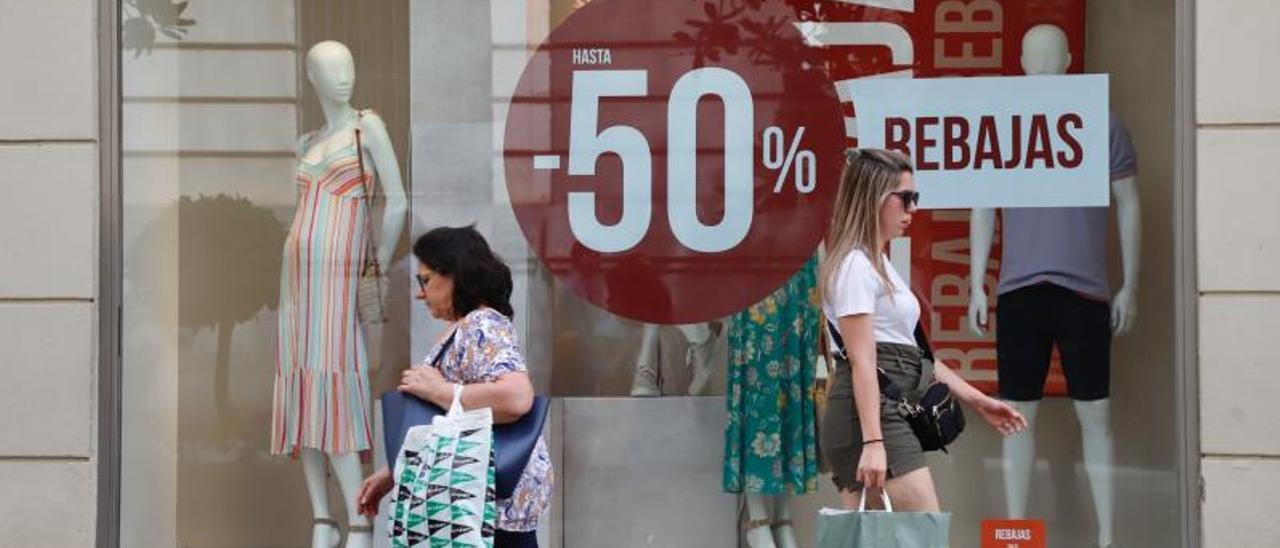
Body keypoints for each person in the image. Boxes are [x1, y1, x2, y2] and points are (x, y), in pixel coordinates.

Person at [818, 149, 1028, 511]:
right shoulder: (855, 266)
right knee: (921, 531)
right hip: (869, 417)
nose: (914, 208)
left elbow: (918, 356)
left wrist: (978, 400)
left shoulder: (877, 262)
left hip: (883, 411)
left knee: (893, 538)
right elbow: (864, 362)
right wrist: (872, 443)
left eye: (916, 198)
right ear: (874, 199)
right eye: (906, 198)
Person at [356, 225, 552, 548]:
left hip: (482, 511)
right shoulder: (465, 328)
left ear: (456, 275)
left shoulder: (481, 323)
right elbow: (449, 424)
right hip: (471, 509)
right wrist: (395, 471)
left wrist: (441, 391)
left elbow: (517, 397)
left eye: (426, 279)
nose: (420, 292)